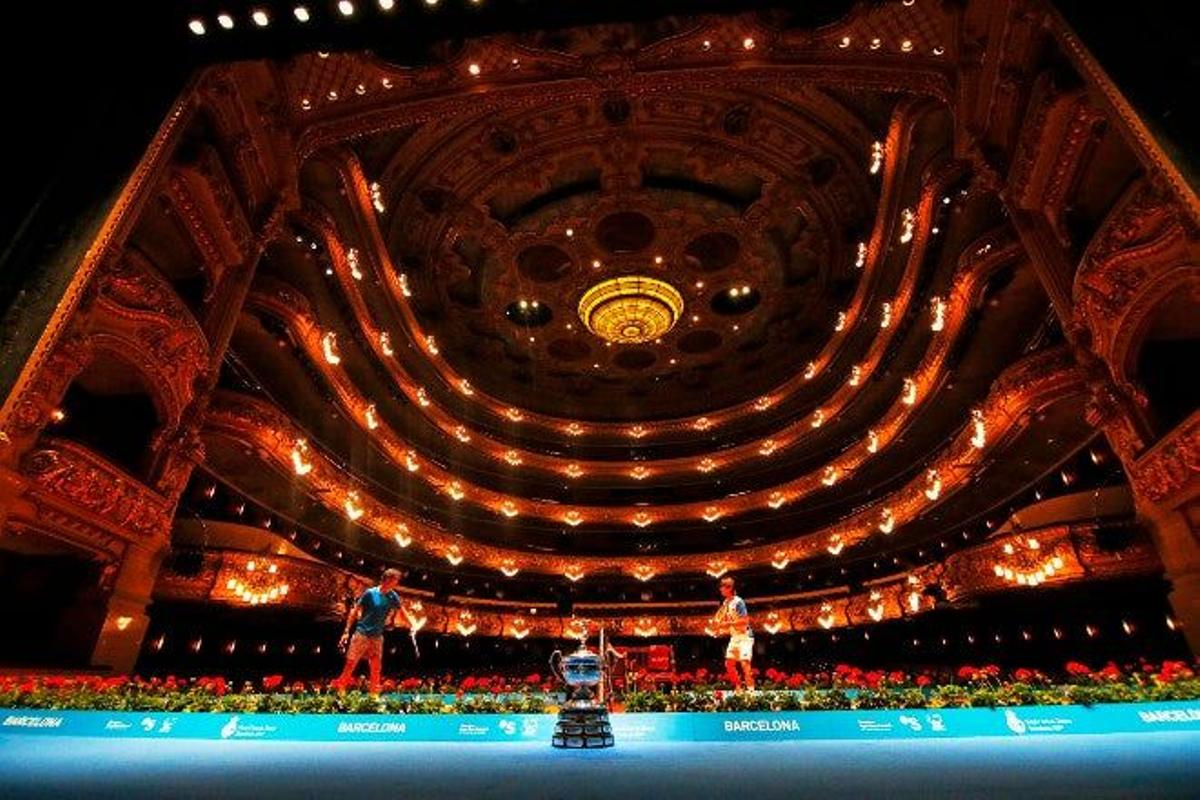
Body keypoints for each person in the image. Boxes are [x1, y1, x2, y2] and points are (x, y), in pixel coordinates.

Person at [335, 568, 405, 693]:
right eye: (395, 580)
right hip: (362, 633)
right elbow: (355, 611)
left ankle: (373, 695)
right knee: (351, 663)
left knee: (376, 667)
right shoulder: (370, 593)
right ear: (387, 579)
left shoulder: (392, 595)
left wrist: (413, 624)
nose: (397, 583)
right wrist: (346, 631)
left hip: (377, 636)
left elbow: (402, 610)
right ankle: (340, 690)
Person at [712, 576, 755, 690]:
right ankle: (738, 688)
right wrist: (718, 628)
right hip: (735, 637)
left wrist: (726, 625)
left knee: (745, 664)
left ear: (729, 588)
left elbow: (745, 621)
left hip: (745, 636)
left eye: (722, 587)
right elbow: (721, 619)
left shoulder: (738, 601)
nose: (720, 589)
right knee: (729, 664)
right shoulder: (726, 603)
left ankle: (751, 691)